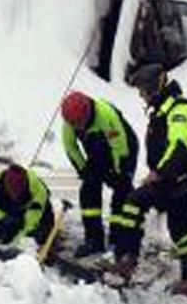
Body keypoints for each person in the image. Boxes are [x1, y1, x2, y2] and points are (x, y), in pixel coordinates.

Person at [114, 63, 187, 298]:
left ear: (154, 88)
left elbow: (180, 145)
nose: (141, 96)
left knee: (133, 203)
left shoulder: (179, 111)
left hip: (174, 177)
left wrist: (159, 173)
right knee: (181, 226)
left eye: (143, 90)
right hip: (179, 176)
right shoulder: (164, 109)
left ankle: (126, 260)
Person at [58, 91, 139, 260]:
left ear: (87, 113)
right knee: (88, 190)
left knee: (122, 190)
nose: (77, 127)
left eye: (79, 123)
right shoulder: (70, 122)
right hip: (96, 150)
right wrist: (83, 170)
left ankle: (119, 239)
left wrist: (119, 172)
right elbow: (70, 147)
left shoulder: (105, 116)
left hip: (124, 148)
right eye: (73, 124)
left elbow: (120, 146)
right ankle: (94, 240)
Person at [0, 163, 57, 258]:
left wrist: (10, 244)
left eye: (17, 193)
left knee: (39, 233)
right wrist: (5, 218)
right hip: (14, 211)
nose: (14, 195)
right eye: (11, 192)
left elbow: (29, 224)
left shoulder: (38, 193)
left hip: (38, 216)